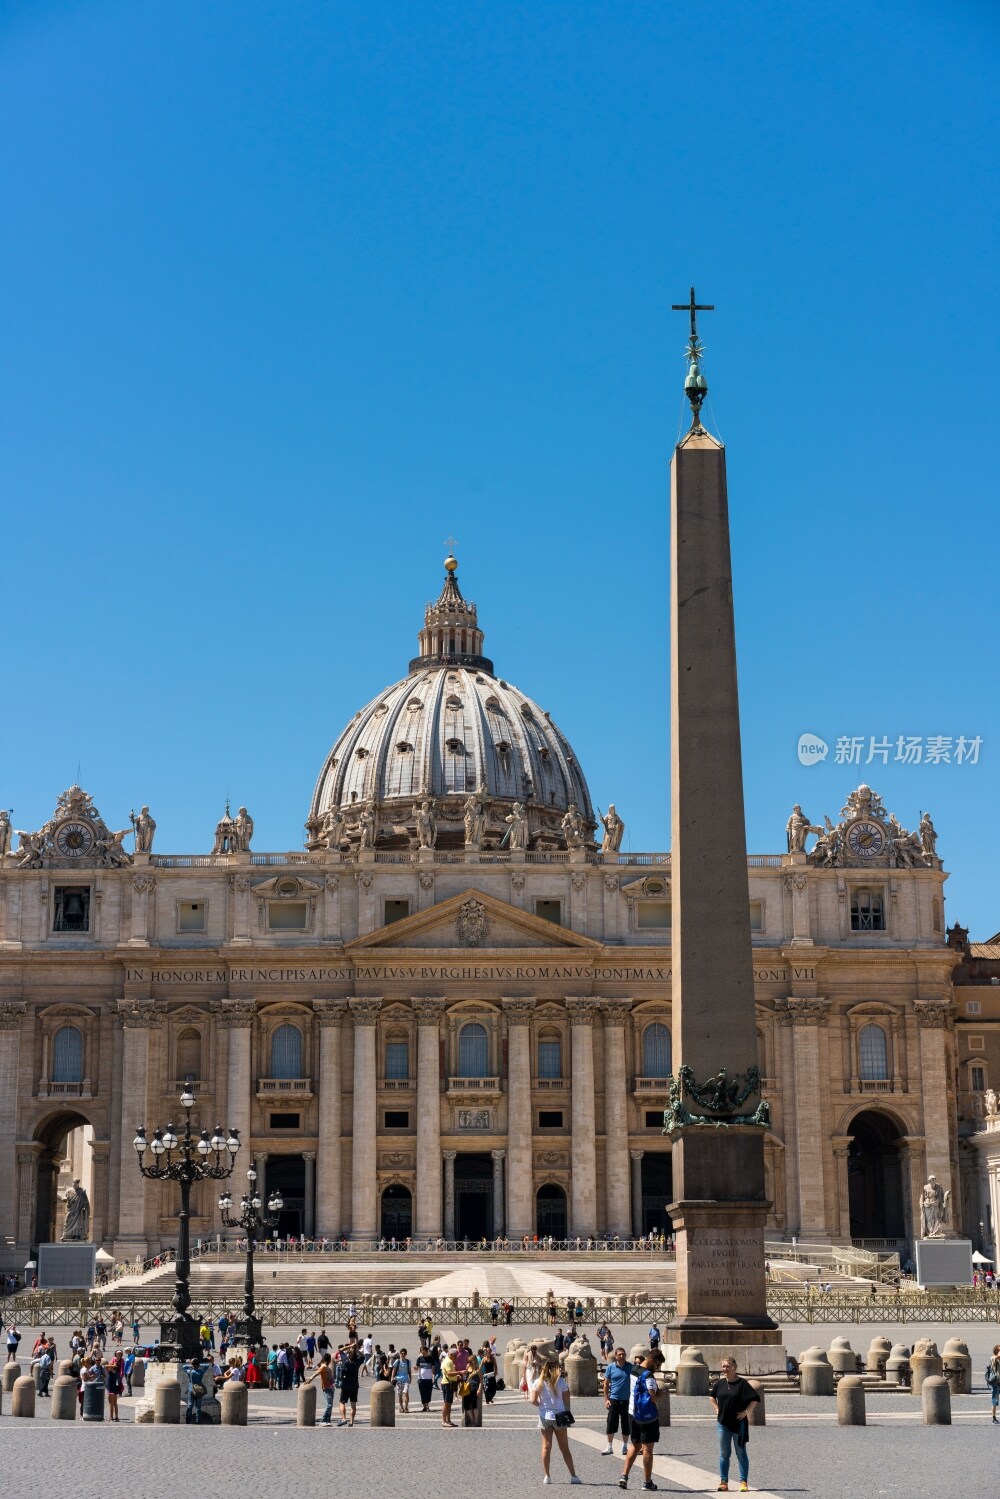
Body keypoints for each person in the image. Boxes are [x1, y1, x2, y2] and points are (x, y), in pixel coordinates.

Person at [528, 1354, 581, 1485]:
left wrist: (541, 1404)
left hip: (545, 1416)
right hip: (560, 1416)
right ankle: (573, 1476)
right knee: (564, 1448)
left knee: (546, 1447)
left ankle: (547, 1476)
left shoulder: (538, 1382)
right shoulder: (561, 1382)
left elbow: (533, 1400)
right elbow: (567, 1399)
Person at [710, 1355, 760, 1493]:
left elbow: (755, 1399)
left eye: (727, 1366)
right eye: (723, 1366)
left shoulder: (742, 1383)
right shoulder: (719, 1383)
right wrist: (716, 1408)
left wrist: (746, 1412)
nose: (724, 1369)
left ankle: (743, 1482)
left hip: (739, 1424)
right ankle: (723, 1482)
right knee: (724, 1453)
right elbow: (711, 1397)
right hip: (722, 1423)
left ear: (734, 1367)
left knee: (741, 1453)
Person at [620, 1350, 664, 1491]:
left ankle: (624, 1476)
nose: (657, 1368)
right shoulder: (649, 1376)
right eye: (657, 1365)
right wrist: (660, 1394)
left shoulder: (634, 1369)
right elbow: (653, 1397)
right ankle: (647, 1482)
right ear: (651, 1360)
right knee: (648, 1450)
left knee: (635, 1444)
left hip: (632, 1412)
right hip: (646, 1416)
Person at [603, 1346, 637, 1457]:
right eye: (619, 1354)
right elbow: (606, 1384)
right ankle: (609, 1446)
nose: (622, 1356)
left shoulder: (630, 1367)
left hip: (626, 1400)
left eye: (623, 1354)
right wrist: (606, 1399)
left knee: (626, 1424)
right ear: (616, 1356)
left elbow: (635, 1382)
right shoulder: (610, 1367)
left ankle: (625, 1446)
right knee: (611, 1423)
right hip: (614, 1399)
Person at [307, 1351, 336, 1424]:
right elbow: (317, 1372)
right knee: (329, 1405)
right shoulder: (323, 1366)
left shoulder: (327, 1367)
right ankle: (323, 1420)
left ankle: (327, 1420)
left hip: (331, 1387)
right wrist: (310, 1378)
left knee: (330, 1405)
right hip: (326, 1388)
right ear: (329, 1360)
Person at [337, 1342, 362, 1426]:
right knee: (353, 1404)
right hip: (354, 1385)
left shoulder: (345, 1360)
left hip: (345, 1385)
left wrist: (349, 1346)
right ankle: (351, 1421)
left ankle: (344, 1418)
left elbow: (340, 1350)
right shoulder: (357, 1362)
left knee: (342, 1402)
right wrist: (356, 1349)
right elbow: (363, 1356)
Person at [461, 1351, 481, 1426]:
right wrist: (466, 1370)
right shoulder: (468, 1368)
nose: (469, 1362)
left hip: (474, 1388)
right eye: (469, 1361)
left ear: (474, 1361)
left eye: (470, 1360)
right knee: (466, 1405)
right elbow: (464, 1378)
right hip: (467, 1388)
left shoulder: (477, 1370)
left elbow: (481, 1381)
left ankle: (476, 1421)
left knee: (474, 1405)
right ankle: (472, 1420)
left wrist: (479, 1389)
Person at [416, 1346, 436, 1411]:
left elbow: (433, 1368)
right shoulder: (419, 1358)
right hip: (421, 1378)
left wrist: (433, 1376)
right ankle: (425, 1406)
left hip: (429, 1378)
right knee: (422, 1392)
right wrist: (415, 1368)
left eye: (423, 1350)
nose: (422, 1351)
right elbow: (417, 1367)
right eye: (421, 1350)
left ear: (426, 1351)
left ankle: (427, 1405)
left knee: (428, 1392)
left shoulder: (431, 1358)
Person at [105, 1352, 123, 1421]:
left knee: (111, 1403)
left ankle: (111, 1418)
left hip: (110, 1388)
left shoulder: (110, 1372)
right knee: (115, 1403)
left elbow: (106, 1366)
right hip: (115, 1388)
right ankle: (116, 1417)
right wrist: (114, 1366)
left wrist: (112, 1365)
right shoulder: (117, 1374)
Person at [395, 1346, 412, 1412]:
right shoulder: (397, 1361)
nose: (403, 1354)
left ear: (406, 1354)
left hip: (406, 1380)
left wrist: (410, 1378)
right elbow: (394, 1369)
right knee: (400, 1395)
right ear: (400, 1354)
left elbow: (409, 1371)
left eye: (404, 1353)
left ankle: (406, 1407)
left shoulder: (408, 1362)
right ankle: (401, 1407)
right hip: (399, 1379)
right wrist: (392, 1377)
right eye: (402, 1353)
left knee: (406, 1394)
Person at [987, 1345, 1000, 1423]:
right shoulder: (993, 1358)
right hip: (995, 1383)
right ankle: (994, 1418)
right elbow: (996, 1357)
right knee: (994, 1400)